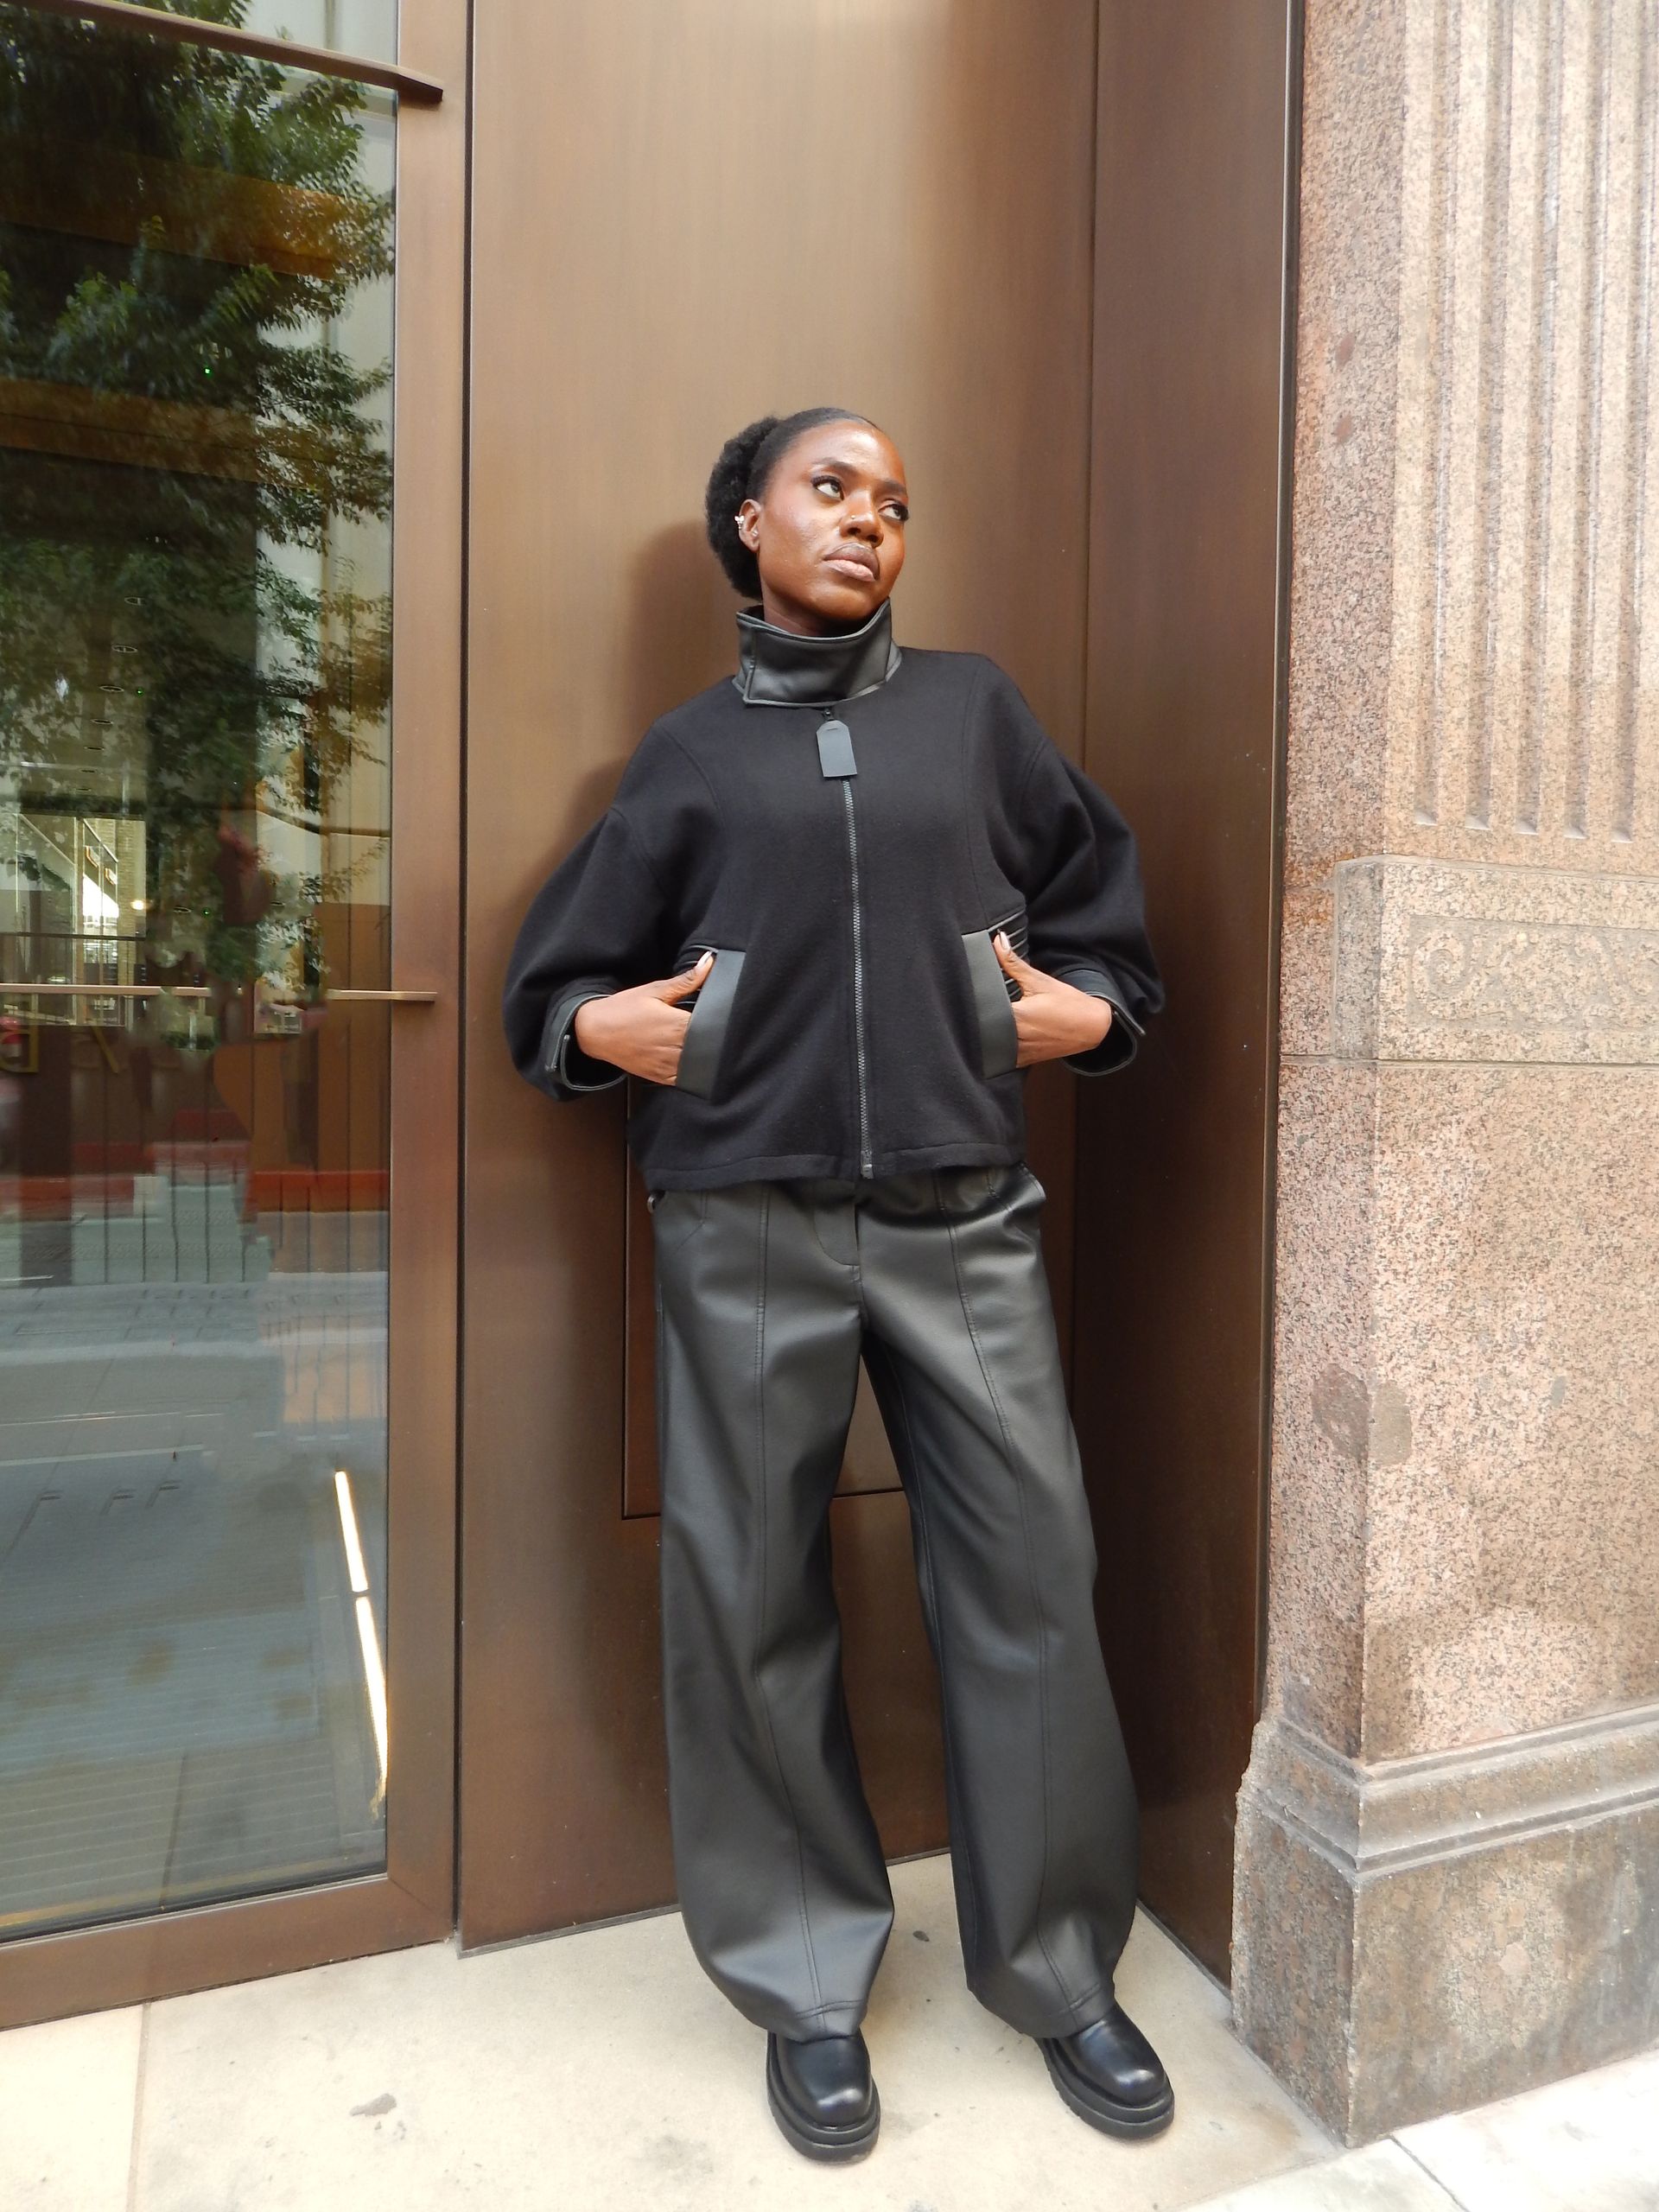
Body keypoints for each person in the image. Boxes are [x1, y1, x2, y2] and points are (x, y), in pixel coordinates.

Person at [503, 408, 1169, 2164]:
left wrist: (1092, 1007)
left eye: (893, 500)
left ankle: (1057, 1964)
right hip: (746, 1217)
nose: (869, 518)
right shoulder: (689, 757)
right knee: (751, 1593)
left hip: (964, 1210)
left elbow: (1102, 906)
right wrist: (601, 1025)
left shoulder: (976, 712)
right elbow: (561, 973)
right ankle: (807, 1985)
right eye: (830, 487)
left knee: (1031, 1567)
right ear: (746, 520)